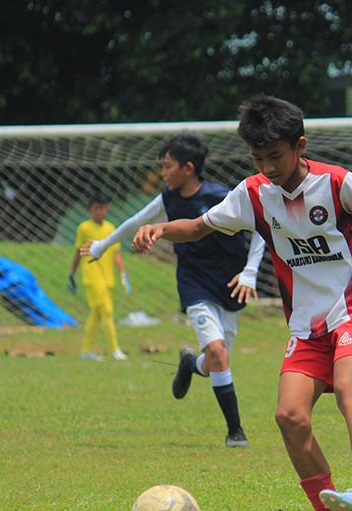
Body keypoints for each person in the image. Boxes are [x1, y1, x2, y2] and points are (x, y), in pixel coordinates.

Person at [130, 95, 352, 511]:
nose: (268, 166)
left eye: (275, 156)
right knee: (289, 416)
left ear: (299, 145)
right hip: (306, 326)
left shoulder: (337, 183)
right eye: (258, 158)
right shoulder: (254, 193)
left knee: (349, 388)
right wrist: (161, 228)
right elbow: (199, 226)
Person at [82, 131, 265, 449]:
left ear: (188, 168)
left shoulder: (223, 195)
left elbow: (262, 227)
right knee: (219, 355)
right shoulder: (168, 199)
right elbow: (135, 221)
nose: (163, 173)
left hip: (230, 284)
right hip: (195, 285)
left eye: (167, 166)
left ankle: (189, 364)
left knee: (212, 363)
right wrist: (102, 245)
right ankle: (236, 432)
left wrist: (250, 271)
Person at [70, 193, 129, 361]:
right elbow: (78, 251)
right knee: (107, 311)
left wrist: (123, 273)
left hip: (107, 277)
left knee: (96, 314)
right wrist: (72, 273)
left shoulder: (110, 228)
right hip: (92, 277)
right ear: (90, 210)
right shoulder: (84, 228)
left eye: (102, 208)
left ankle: (85, 351)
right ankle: (115, 350)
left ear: (107, 209)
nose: (99, 211)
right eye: (96, 208)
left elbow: (116, 253)